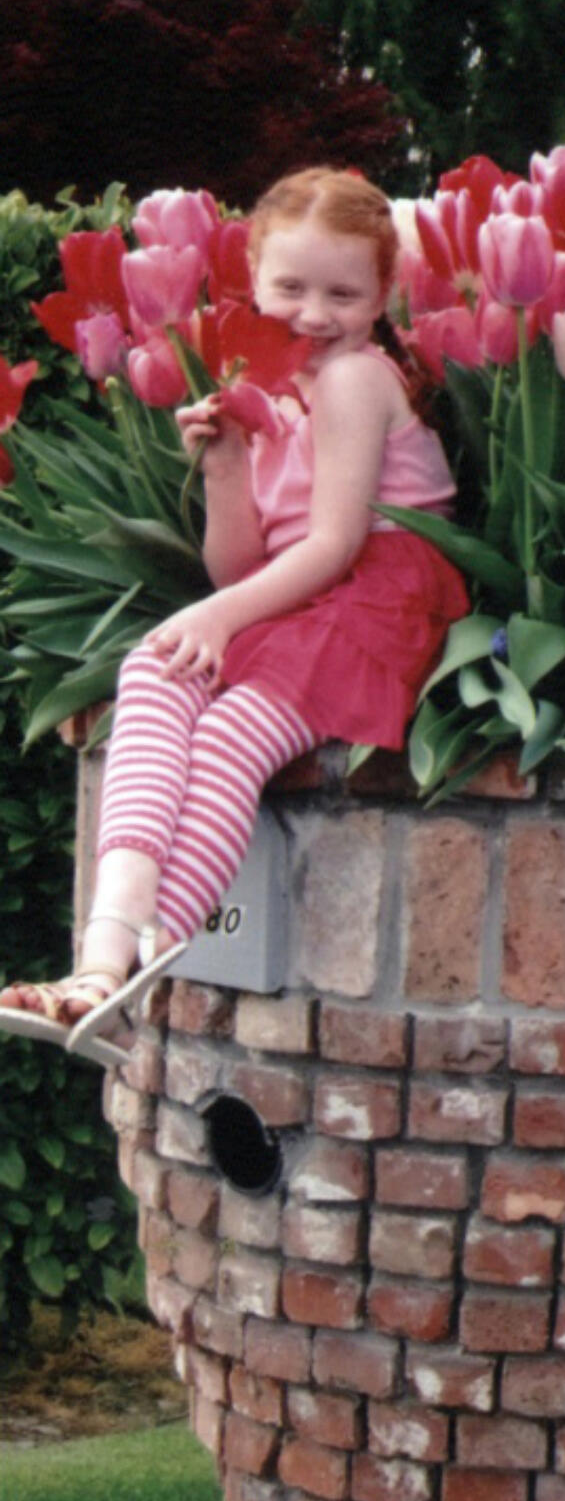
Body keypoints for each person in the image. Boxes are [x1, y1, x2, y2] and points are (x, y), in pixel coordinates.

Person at [0, 167, 468, 1063]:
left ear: (384, 297)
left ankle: (133, 969)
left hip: (378, 595)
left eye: (344, 293)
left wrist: (217, 617)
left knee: (228, 737)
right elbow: (243, 563)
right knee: (151, 668)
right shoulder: (269, 384)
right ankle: (100, 964)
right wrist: (223, 467)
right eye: (291, 288)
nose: (314, 312)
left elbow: (334, 543)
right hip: (305, 594)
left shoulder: (355, 381)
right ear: (250, 281)